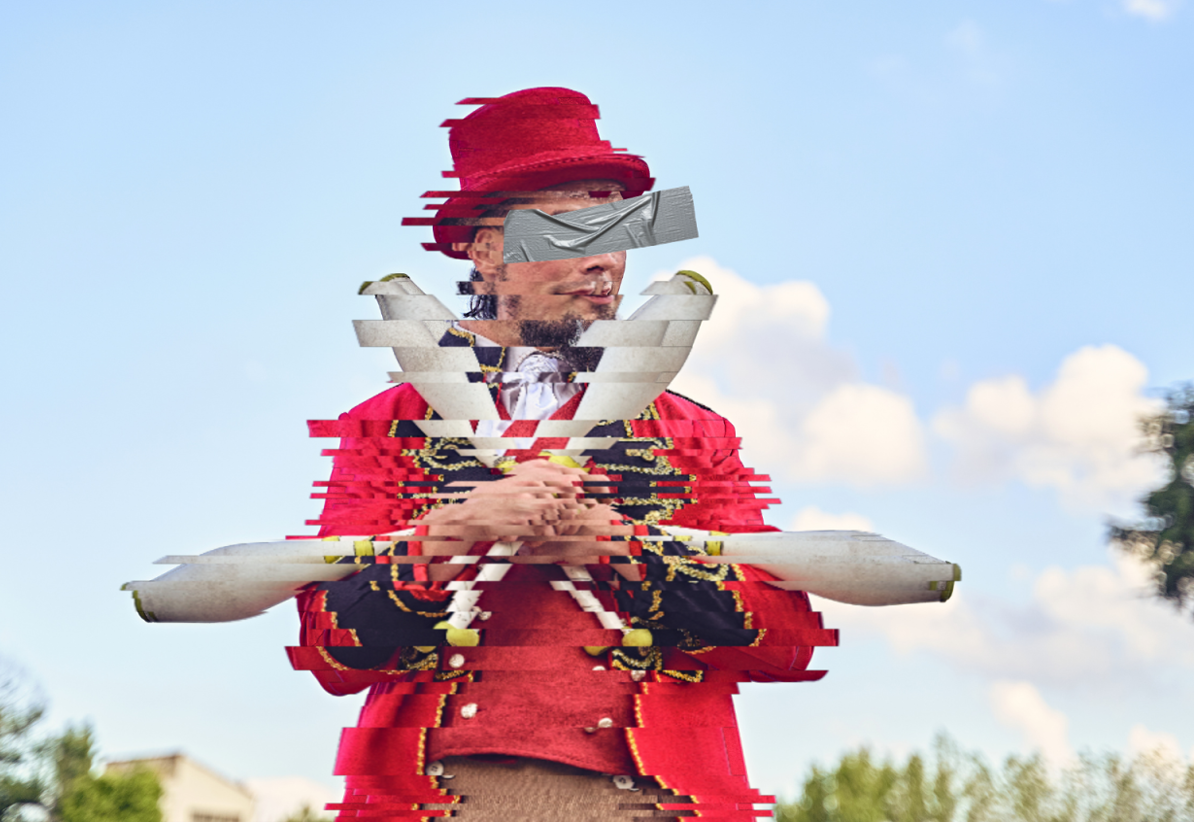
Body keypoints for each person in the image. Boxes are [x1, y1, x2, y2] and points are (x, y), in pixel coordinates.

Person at [287, 88, 835, 821]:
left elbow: (788, 643)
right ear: (485, 250)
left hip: (660, 803)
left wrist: (624, 546)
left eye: (620, 234)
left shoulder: (694, 434)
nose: (606, 261)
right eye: (573, 231)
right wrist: (450, 534)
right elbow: (329, 653)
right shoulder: (384, 429)